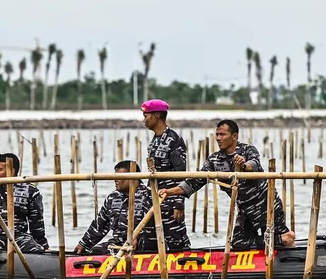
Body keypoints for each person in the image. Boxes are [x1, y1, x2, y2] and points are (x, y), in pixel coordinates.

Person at [158, 119, 295, 249]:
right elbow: (193, 182)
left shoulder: (248, 150)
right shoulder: (214, 160)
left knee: (275, 236)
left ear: (234, 136)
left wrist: (243, 165)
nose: (218, 138)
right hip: (245, 209)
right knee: (238, 243)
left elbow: (254, 164)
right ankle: (279, 241)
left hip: (266, 204)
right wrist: (169, 191)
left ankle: (286, 240)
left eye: (222, 134)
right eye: (217, 134)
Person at [74, 160, 155, 255]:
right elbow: (100, 225)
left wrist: (137, 237)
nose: (115, 180)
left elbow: (158, 225)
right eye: (115, 177)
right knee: (95, 252)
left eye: (119, 177)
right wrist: (83, 244)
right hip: (118, 243)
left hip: (144, 244)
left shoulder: (150, 195)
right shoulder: (112, 198)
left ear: (133, 178)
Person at [141, 98, 191, 251]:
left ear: (156, 116)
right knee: (150, 244)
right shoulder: (154, 141)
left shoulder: (174, 141)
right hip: (153, 201)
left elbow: (180, 174)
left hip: (169, 202)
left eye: (146, 116)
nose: (144, 120)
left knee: (177, 244)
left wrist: (178, 204)